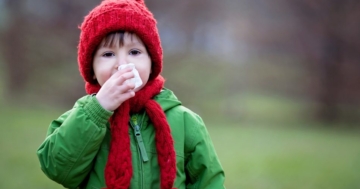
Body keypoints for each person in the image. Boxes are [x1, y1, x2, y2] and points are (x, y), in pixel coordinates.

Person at [36, 0, 225, 188]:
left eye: (134, 52)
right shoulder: (82, 117)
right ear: (92, 69)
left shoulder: (185, 121)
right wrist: (98, 110)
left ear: (152, 63)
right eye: (108, 54)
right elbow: (57, 169)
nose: (122, 64)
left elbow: (209, 182)